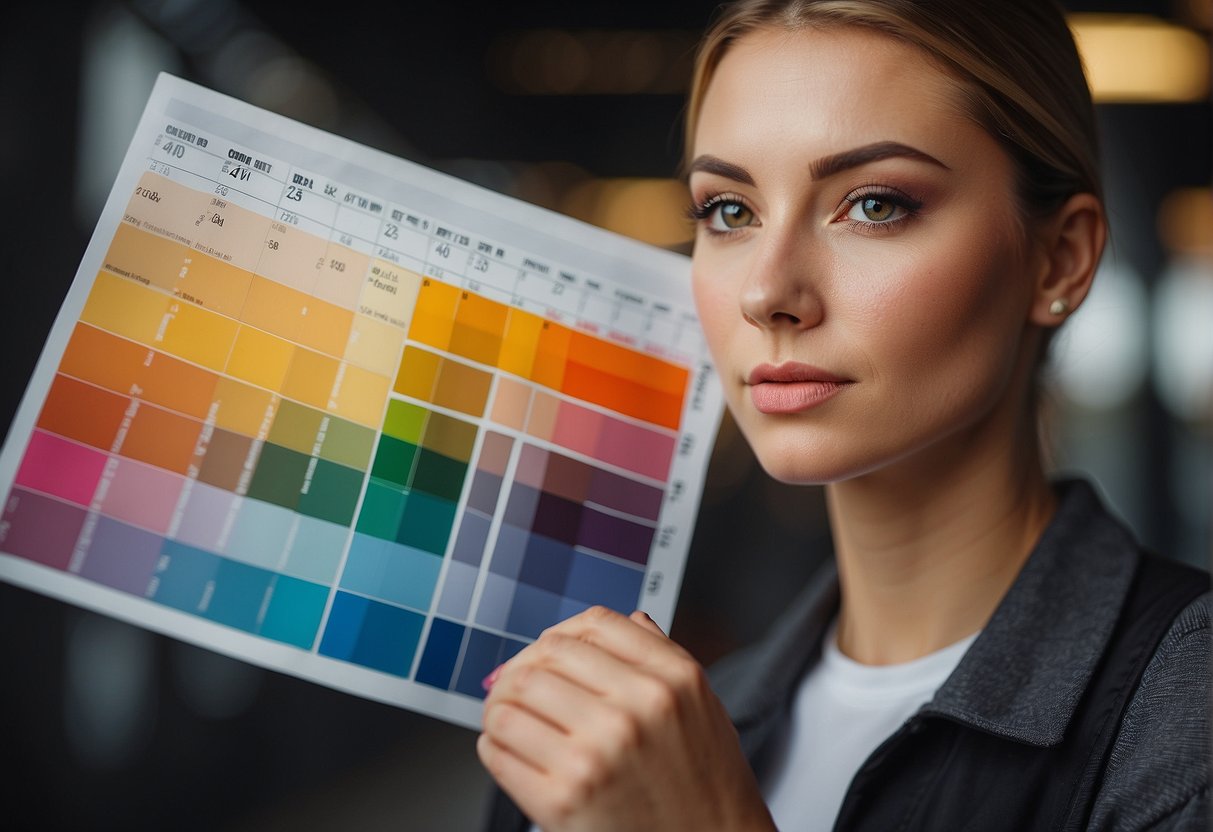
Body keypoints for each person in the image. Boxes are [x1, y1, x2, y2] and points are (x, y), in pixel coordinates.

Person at [475, 0, 1213, 829]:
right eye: (728, 211)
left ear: (1060, 258)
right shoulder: (659, 732)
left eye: (873, 204)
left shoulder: (1186, 723)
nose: (766, 292)